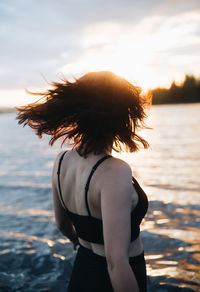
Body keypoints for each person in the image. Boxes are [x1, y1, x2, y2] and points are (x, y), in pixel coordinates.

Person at [16, 71, 151, 292]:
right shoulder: (114, 171)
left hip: (83, 269)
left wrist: (82, 243)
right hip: (116, 278)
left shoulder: (61, 162)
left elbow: (62, 225)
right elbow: (116, 262)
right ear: (118, 118)